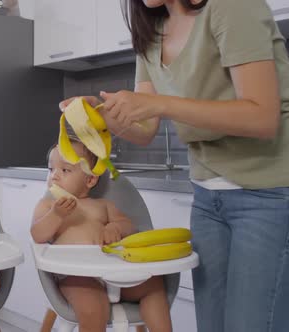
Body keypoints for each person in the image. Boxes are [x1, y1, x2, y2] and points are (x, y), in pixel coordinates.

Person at [62, 0, 289, 331]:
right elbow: (144, 129)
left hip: (268, 193)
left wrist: (160, 103)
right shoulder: (150, 33)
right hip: (207, 197)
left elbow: (262, 117)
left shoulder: (232, 6)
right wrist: (100, 114)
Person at [31, 141, 172, 332]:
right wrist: (56, 216)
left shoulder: (102, 205)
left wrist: (115, 227)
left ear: (90, 179)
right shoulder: (48, 206)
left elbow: (129, 226)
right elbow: (37, 235)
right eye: (51, 169)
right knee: (94, 308)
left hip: (115, 274)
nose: (54, 175)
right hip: (76, 277)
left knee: (154, 287)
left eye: (65, 170)